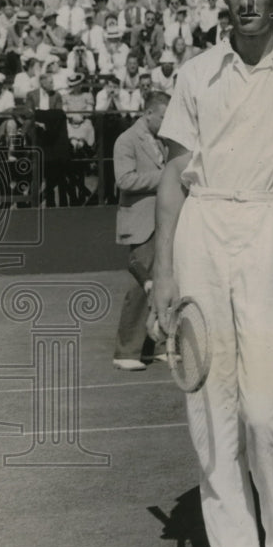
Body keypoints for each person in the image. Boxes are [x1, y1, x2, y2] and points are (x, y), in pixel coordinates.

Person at [151, 0, 273, 547]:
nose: (247, 1)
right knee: (209, 402)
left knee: (269, 409)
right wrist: (164, 272)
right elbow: (171, 178)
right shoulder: (195, 74)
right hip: (201, 233)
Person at [112, 91, 170, 370]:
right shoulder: (126, 140)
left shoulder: (164, 141)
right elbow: (124, 180)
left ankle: (155, 346)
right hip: (141, 221)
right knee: (140, 286)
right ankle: (126, 352)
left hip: (164, 219)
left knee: (162, 281)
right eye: (163, 116)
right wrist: (165, 178)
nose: (167, 121)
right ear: (148, 114)